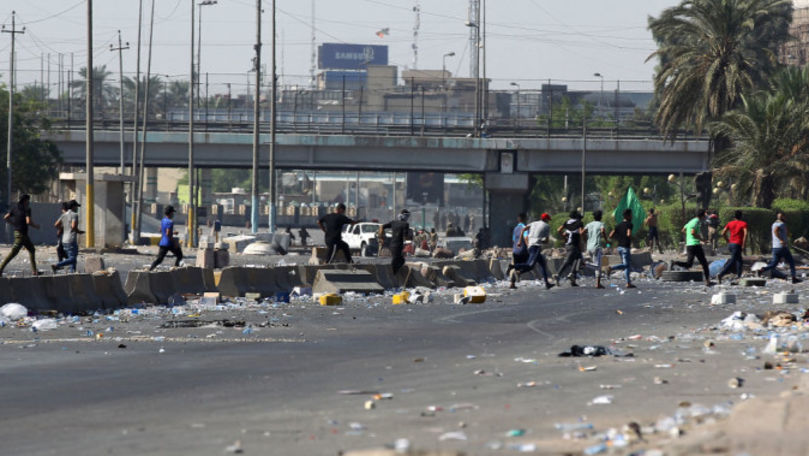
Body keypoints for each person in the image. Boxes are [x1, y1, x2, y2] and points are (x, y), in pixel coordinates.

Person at [508, 213, 555, 290]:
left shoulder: (533, 223)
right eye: (548, 220)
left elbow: (523, 231)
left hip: (525, 247)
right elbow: (546, 241)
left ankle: (547, 283)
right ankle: (513, 266)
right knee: (529, 265)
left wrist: (519, 242)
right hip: (535, 247)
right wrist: (541, 241)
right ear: (546, 219)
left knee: (542, 264)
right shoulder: (546, 226)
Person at [0, 194, 41, 277]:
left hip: (18, 233)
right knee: (13, 253)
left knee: (32, 249)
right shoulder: (27, 209)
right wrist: (36, 226)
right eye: (28, 200)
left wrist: (13, 224)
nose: (28, 202)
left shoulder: (15, 208)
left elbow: (5, 217)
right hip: (21, 235)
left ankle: (35, 271)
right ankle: (0, 269)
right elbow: (28, 221)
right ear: (25, 201)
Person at [671, 209, 713, 286]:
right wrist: (701, 239)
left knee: (689, 264)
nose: (705, 217)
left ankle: (675, 263)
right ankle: (707, 281)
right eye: (705, 215)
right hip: (695, 245)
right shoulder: (696, 222)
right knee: (704, 263)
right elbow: (693, 232)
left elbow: (683, 230)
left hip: (689, 245)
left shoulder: (691, 221)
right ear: (702, 215)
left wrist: (689, 237)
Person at [759, 211, 803, 283]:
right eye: (784, 216)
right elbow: (776, 230)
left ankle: (762, 269)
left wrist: (793, 238)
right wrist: (781, 240)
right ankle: (794, 278)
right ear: (783, 217)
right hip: (782, 247)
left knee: (774, 263)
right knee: (791, 262)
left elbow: (787, 233)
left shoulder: (774, 224)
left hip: (775, 247)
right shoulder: (781, 224)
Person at [51, 200, 83, 273]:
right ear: (73, 207)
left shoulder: (63, 215)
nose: (77, 208)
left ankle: (72, 272)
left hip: (64, 240)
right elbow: (73, 226)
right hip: (71, 240)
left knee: (72, 257)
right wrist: (79, 231)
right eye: (76, 206)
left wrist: (62, 228)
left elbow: (56, 224)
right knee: (73, 259)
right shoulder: (74, 215)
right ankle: (57, 265)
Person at [717, 210, 748, 284]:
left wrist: (728, 240)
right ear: (741, 216)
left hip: (731, 244)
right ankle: (721, 274)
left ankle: (739, 276)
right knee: (733, 260)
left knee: (739, 260)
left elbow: (723, 233)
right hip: (737, 244)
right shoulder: (743, 224)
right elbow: (745, 234)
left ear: (734, 217)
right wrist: (743, 244)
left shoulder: (730, 223)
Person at [555, 210, 585, 287]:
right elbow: (581, 233)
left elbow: (559, 230)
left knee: (577, 259)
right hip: (574, 245)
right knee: (568, 261)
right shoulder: (579, 223)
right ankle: (558, 274)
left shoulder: (567, 223)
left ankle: (573, 279)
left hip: (568, 244)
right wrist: (583, 239)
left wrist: (564, 237)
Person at [149, 205, 183, 271]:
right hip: (169, 243)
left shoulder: (163, 220)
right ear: (170, 213)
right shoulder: (170, 222)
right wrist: (174, 243)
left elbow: (161, 230)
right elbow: (168, 234)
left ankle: (151, 269)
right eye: (172, 212)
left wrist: (172, 232)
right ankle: (176, 269)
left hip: (163, 243)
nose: (173, 214)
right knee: (180, 255)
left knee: (159, 259)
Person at [609, 209, 635, 288]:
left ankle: (628, 283)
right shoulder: (629, 224)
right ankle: (611, 268)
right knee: (626, 265)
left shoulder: (618, 225)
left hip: (619, 247)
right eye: (630, 215)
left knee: (627, 265)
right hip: (625, 247)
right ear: (627, 216)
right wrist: (630, 238)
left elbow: (610, 235)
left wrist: (618, 237)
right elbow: (628, 234)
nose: (632, 216)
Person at [380, 209, 411, 275]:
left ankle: (395, 273)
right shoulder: (405, 224)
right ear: (404, 216)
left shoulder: (393, 222)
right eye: (407, 216)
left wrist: (381, 236)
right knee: (396, 260)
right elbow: (405, 236)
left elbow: (382, 226)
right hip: (398, 246)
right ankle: (393, 273)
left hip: (392, 245)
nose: (407, 218)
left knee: (400, 260)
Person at [584, 210, 607, 289]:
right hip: (596, 247)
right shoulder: (601, 224)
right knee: (598, 266)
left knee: (596, 264)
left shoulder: (589, 224)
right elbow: (603, 230)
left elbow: (582, 232)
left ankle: (598, 284)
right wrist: (606, 240)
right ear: (600, 217)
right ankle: (584, 264)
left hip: (589, 247)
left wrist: (585, 239)